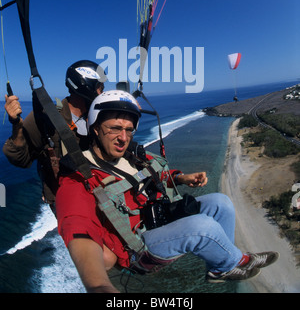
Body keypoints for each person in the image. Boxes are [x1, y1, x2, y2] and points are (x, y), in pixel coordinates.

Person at [55, 90, 279, 293]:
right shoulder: (79, 177)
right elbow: (78, 228)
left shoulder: (133, 156)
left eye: (128, 130)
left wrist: (181, 178)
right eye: (114, 128)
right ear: (95, 128)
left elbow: (156, 174)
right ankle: (235, 261)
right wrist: (98, 285)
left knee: (222, 203)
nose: (123, 138)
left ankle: (223, 265)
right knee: (203, 227)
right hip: (137, 250)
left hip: (157, 221)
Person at [3, 59, 106, 208]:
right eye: (99, 87)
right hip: (67, 201)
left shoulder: (99, 115)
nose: (102, 92)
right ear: (86, 86)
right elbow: (21, 159)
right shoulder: (47, 117)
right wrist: (17, 126)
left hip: (97, 192)